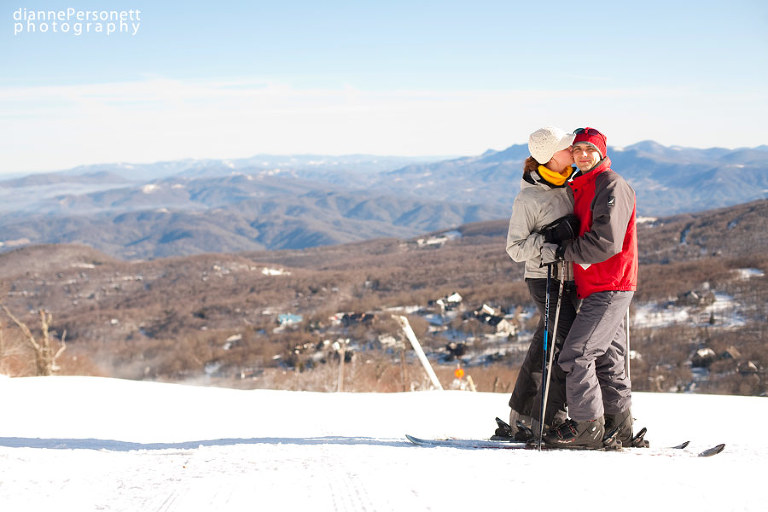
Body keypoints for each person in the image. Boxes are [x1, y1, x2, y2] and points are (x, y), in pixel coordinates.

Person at [540, 127, 638, 448]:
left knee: (577, 355)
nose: (582, 155)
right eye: (577, 149)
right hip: (596, 284)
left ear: (601, 152)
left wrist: (562, 250)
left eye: (589, 150)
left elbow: (606, 242)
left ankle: (586, 427)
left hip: (611, 283)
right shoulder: (584, 184)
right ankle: (619, 427)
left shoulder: (610, 185)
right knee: (609, 358)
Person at [496, 126, 581, 440]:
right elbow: (515, 248)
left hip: (570, 278)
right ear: (550, 157)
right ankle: (550, 421)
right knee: (564, 345)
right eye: (566, 147)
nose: (572, 149)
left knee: (542, 347)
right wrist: (549, 236)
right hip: (544, 279)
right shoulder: (528, 198)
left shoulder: (568, 184)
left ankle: (520, 417)